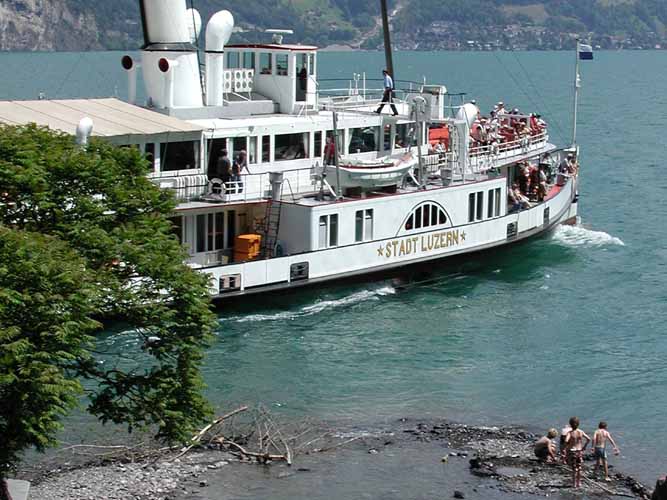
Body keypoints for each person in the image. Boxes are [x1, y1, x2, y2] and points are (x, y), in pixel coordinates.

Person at [565, 416, 591, 489]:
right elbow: (588, 439)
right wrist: (584, 446)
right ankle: (579, 483)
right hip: (579, 451)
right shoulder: (581, 432)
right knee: (579, 467)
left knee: (574, 469)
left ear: (570, 424)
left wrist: (567, 447)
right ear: (578, 424)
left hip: (572, 451)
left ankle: (574, 484)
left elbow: (566, 441)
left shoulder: (570, 433)